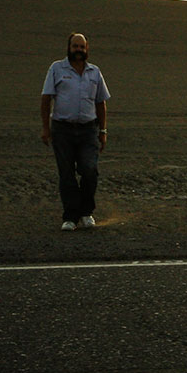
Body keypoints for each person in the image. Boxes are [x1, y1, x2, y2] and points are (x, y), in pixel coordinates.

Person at [40, 32, 109, 231]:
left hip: (88, 130)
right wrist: (46, 128)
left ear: (87, 49)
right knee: (67, 174)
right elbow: (46, 99)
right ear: (69, 48)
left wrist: (103, 130)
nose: (78, 50)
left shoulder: (95, 72)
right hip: (62, 129)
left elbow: (101, 102)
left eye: (82, 47)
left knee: (89, 170)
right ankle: (70, 217)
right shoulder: (56, 68)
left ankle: (86, 212)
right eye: (75, 46)